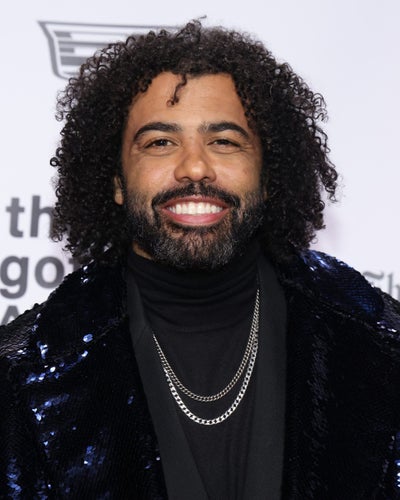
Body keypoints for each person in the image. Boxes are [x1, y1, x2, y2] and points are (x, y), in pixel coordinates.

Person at [1, 20, 399, 499]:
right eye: (160, 142)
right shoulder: (19, 374)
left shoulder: (380, 343)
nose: (194, 167)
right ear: (117, 182)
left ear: (268, 178)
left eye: (224, 141)